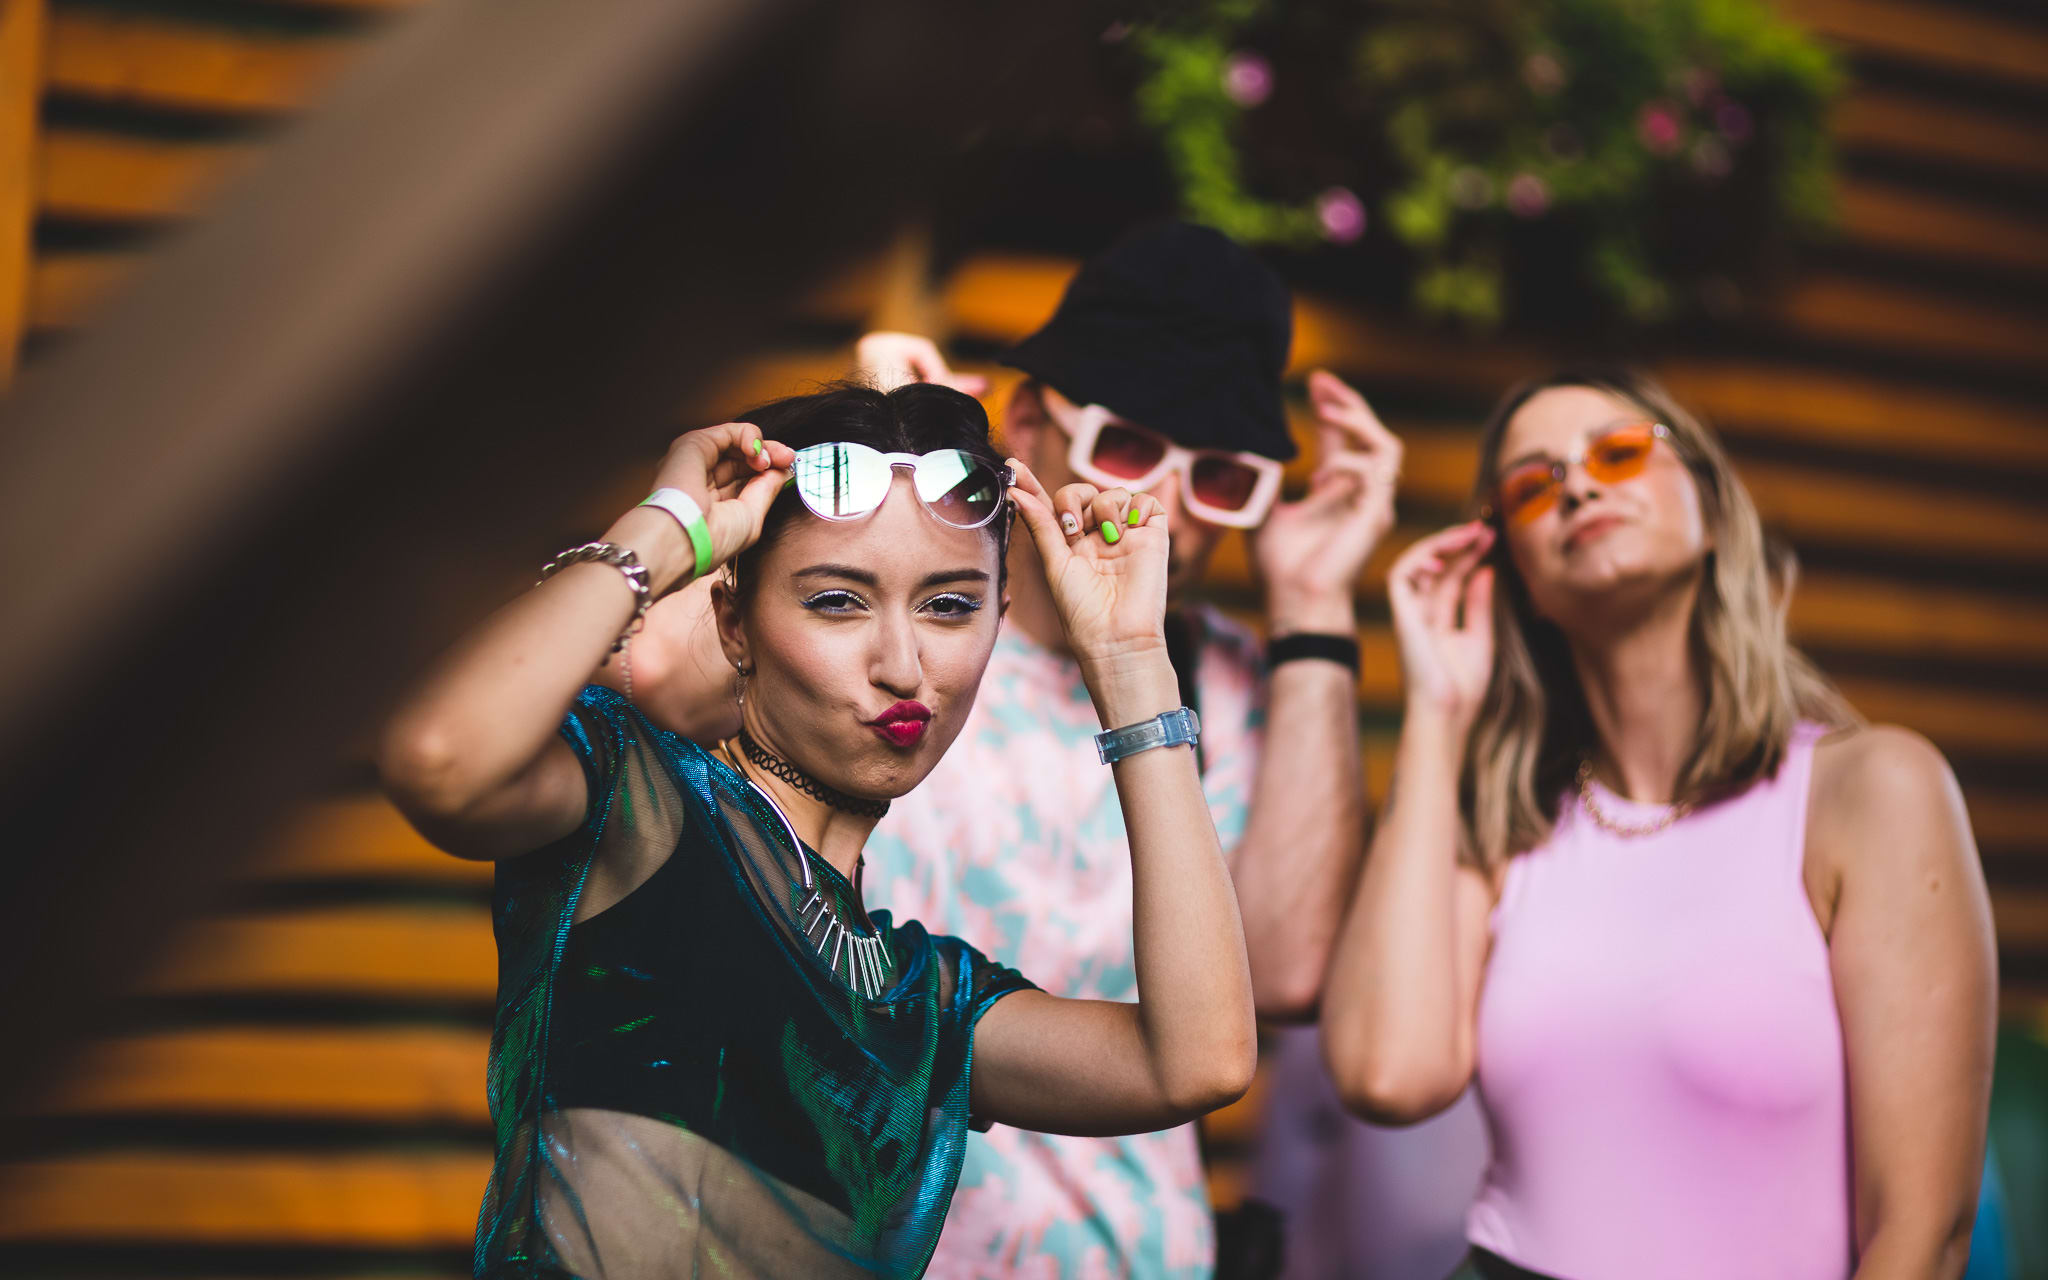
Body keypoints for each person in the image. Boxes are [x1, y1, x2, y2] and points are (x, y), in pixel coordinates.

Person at [375, 382, 1259, 1278]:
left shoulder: (922, 1003)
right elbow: (441, 761)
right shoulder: (637, 800)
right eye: (837, 601)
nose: (903, 666)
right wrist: (666, 525)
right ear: (735, 623)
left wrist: (1130, 660)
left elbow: (1196, 1063)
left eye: (949, 605)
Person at [1320, 368, 1998, 1280]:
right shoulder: (1508, 825)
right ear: (1516, 576)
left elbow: (1921, 1234)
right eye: (1533, 483)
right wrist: (1438, 714)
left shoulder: (1872, 789)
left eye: (1619, 452)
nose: (1580, 485)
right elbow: (1385, 1075)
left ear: (1713, 513)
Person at [854, 222, 1411, 1277]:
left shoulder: (1236, 682)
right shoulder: (889, 633)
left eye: (1219, 475)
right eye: (1127, 446)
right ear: (1025, 422)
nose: (1159, 502)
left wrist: (1312, 604)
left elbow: (1286, 971)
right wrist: (879, 494)